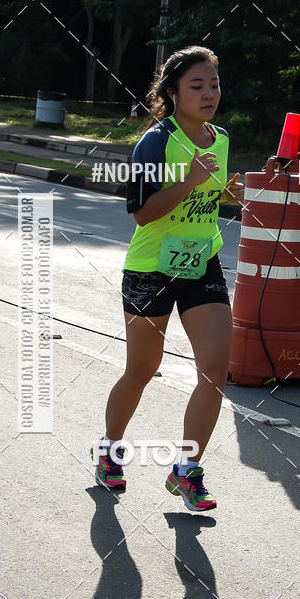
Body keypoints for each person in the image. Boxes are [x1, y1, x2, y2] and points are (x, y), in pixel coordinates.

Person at [93, 46, 244, 511]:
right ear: (174, 93)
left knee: (214, 371)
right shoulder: (155, 142)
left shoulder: (219, 139)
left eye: (214, 85)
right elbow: (142, 213)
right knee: (142, 369)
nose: (209, 93)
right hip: (151, 268)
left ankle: (187, 470)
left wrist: (231, 193)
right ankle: (109, 450)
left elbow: (211, 197)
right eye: (197, 86)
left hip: (201, 263)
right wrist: (190, 181)